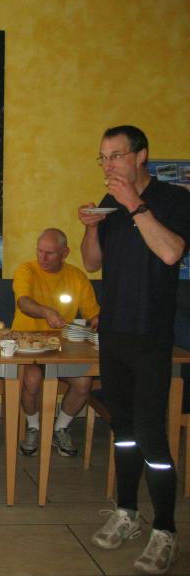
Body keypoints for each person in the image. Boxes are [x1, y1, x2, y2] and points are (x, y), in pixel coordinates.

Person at [79, 125, 190, 575]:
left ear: (141, 155)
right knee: (122, 429)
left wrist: (134, 205)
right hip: (114, 334)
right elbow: (92, 262)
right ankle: (127, 511)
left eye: (116, 155)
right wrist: (90, 228)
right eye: (103, 157)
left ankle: (165, 529)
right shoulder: (109, 202)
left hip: (150, 336)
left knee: (149, 433)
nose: (108, 165)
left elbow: (171, 252)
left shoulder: (173, 199)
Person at [12, 228, 100, 457]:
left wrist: (97, 322)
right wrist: (46, 312)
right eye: (40, 251)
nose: (43, 257)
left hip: (63, 349)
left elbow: (93, 314)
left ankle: (60, 428)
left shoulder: (77, 277)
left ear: (65, 253)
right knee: (32, 380)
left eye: (50, 253)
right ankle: (33, 427)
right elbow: (23, 303)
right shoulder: (26, 270)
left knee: (84, 382)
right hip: (26, 346)